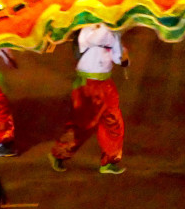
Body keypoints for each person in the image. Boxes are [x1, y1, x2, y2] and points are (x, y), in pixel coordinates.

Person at [49, 24, 129, 175]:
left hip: (106, 84)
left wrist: (123, 56)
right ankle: (58, 154)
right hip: (88, 85)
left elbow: (117, 57)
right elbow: (98, 38)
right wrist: (113, 26)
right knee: (82, 126)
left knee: (114, 122)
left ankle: (109, 161)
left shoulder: (111, 30)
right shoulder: (87, 29)